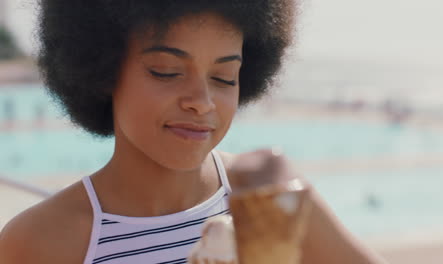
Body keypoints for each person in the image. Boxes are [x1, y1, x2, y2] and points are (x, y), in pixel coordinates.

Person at [0, 1, 386, 263]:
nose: (202, 102)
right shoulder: (42, 240)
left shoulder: (270, 194)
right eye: (166, 71)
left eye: (223, 77)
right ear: (102, 71)